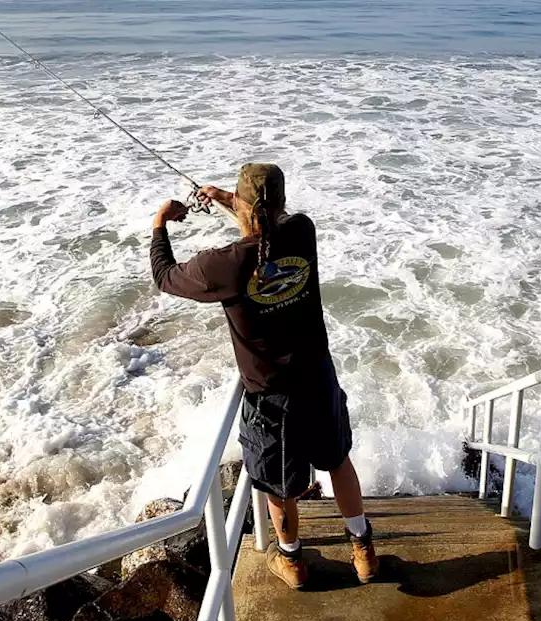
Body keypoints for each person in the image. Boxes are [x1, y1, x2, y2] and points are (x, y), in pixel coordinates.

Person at [149, 163, 377, 590]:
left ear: (245, 208)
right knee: (337, 461)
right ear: (282, 201)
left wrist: (160, 222)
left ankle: (291, 561)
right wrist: (224, 199)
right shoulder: (302, 233)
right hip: (318, 377)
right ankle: (363, 549)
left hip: (272, 395)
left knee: (280, 484)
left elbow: (164, 277)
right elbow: (268, 222)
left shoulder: (224, 265)